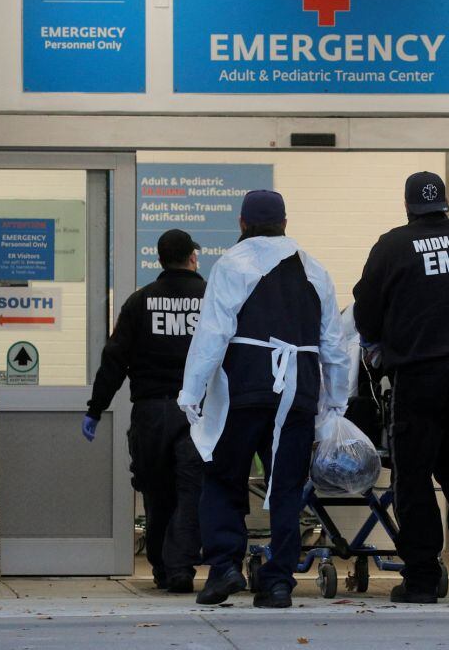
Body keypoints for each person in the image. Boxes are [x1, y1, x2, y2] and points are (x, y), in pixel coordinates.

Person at [178, 190, 349, 609]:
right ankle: (277, 584)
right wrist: (336, 403)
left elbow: (213, 332)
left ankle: (225, 568)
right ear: (285, 223)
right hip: (298, 392)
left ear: (241, 224)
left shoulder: (232, 264)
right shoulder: (315, 269)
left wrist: (192, 391)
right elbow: (334, 345)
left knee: (222, 478)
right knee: (287, 486)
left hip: (243, 388)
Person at [352, 171, 449, 604]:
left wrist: (380, 344)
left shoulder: (394, 245)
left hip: (419, 373)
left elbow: (366, 310)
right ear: (444, 204)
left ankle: (421, 577)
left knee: (413, 475)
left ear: (408, 207)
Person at [83, 229, 207, 594]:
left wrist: (96, 407)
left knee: (156, 492)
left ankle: (162, 569)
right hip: (197, 411)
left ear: (160, 260)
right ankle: (181, 567)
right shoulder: (209, 298)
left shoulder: (140, 302)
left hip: (151, 412)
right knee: (190, 490)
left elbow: (115, 359)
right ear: (192, 258)